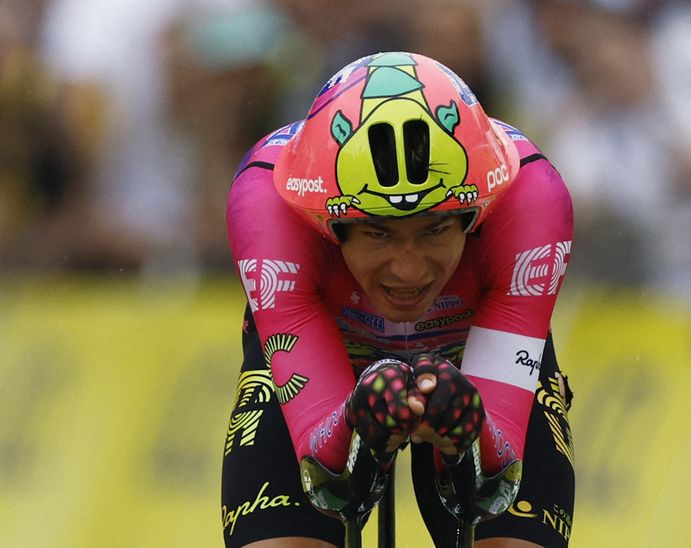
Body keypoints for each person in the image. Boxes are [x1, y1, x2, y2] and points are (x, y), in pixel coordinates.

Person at [222, 51, 575, 547]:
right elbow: (324, 470)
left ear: (477, 214)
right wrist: (352, 420)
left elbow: (497, 473)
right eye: (379, 235)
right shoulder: (270, 204)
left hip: (471, 347)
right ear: (328, 224)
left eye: (434, 230)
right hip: (331, 345)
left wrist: (467, 428)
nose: (409, 270)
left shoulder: (530, 199)